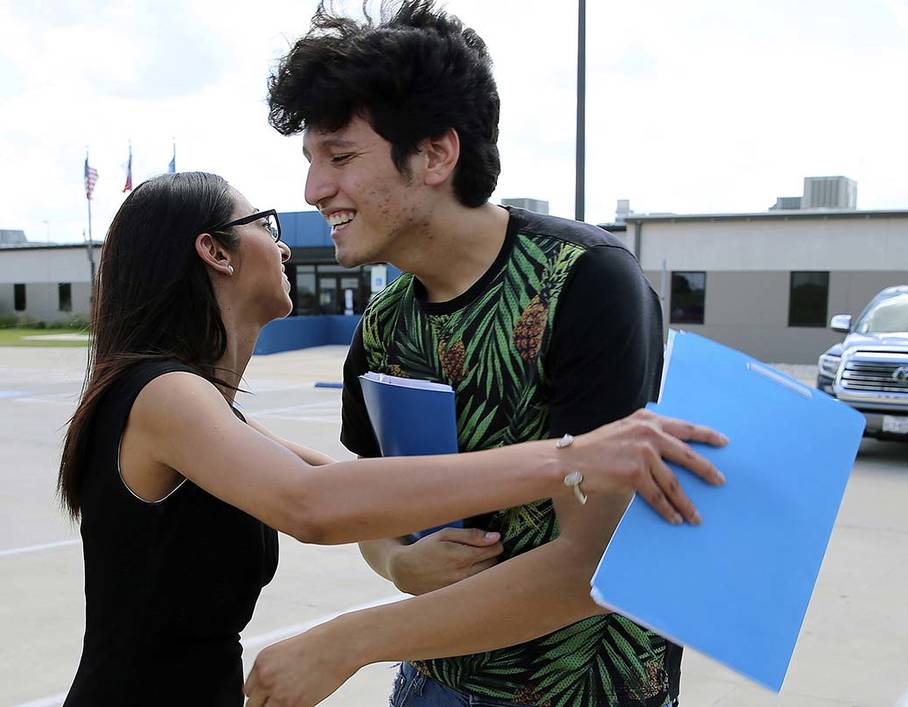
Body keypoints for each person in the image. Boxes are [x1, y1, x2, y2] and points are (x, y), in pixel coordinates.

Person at [59, 171, 726, 706]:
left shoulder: (200, 408)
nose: (285, 240)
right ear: (214, 250)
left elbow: (358, 492)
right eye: (263, 226)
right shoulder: (162, 393)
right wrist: (569, 460)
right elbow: (312, 503)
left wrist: (398, 557)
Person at [250, 2, 716, 706]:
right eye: (311, 161)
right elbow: (376, 505)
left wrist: (350, 639)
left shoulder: (583, 280)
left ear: (437, 153)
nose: (315, 190)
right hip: (433, 681)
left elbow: (596, 563)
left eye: (340, 156)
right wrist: (401, 562)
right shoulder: (383, 325)